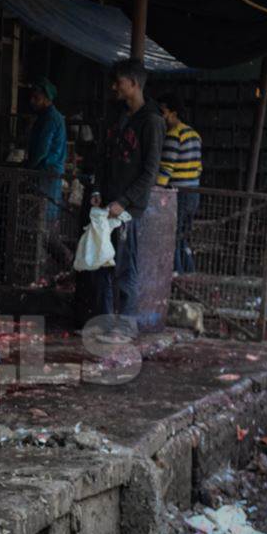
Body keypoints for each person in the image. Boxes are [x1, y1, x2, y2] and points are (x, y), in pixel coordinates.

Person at [87, 59, 163, 343]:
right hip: (106, 203)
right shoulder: (117, 116)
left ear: (133, 83)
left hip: (127, 209)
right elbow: (103, 157)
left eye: (118, 82)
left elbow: (150, 172)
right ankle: (106, 322)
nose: (114, 87)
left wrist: (124, 201)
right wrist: (96, 188)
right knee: (102, 266)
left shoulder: (152, 121)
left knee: (124, 266)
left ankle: (126, 325)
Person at [156, 92, 202, 274]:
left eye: (163, 111)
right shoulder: (194, 134)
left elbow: (167, 167)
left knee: (171, 235)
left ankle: (175, 273)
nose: (162, 115)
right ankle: (188, 271)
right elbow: (199, 167)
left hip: (178, 193)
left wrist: (156, 189)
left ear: (173, 113)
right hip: (194, 192)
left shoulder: (174, 135)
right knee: (182, 235)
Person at [26, 76, 68, 222]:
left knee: (44, 210)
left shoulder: (50, 118)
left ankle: (45, 239)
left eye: (36, 98)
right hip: (49, 169)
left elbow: (42, 149)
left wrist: (29, 167)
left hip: (48, 169)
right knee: (45, 207)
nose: (32, 101)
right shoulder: (46, 116)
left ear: (46, 99)